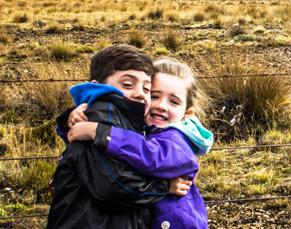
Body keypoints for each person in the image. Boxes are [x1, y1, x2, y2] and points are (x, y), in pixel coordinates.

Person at [68, 57, 213, 229]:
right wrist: (74, 120)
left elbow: (150, 155)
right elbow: (94, 149)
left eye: (173, 101)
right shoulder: (139, 130)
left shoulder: (178, 140)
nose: (161, 106)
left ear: (187, 114)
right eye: (154, 95)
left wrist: (100, 132)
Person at [47, 44, 171, 229]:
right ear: (97, 86)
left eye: (147, 89)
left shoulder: (131, 121)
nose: (139, 94)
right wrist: (165, 187)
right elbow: (114, 186)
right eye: (127, 84)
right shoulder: (103, 114)